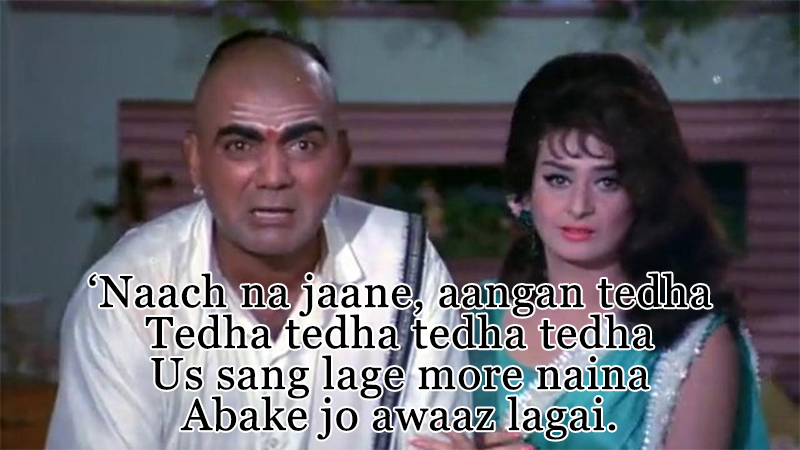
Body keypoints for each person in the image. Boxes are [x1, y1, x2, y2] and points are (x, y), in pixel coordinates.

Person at [47, 29, 469, 450]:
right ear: (195, 161)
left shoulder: (406, 266)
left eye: (302, 145)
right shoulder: (123, 297)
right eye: (239, 146)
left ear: (341, 157)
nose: (273, 177)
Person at [410, 52, 769, 450]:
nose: (579, 206)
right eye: (558, 179)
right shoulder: (465, 317)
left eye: (607, 182)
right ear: (523, 193)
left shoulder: (692, 339)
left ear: (645, 192)